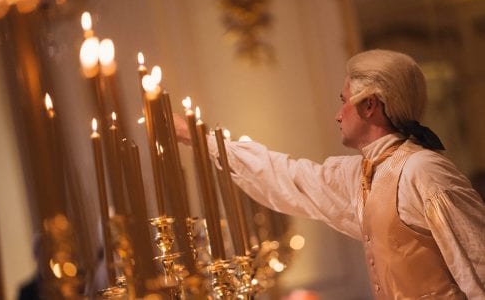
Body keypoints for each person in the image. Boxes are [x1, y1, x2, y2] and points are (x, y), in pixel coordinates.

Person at [174, 49, 485, 299]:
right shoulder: (362, 174)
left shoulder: (424, 171)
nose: (338, 114)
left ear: (369, 106)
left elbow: (479, 261)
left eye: (343, 101)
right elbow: (288, 177)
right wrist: (200, 139)